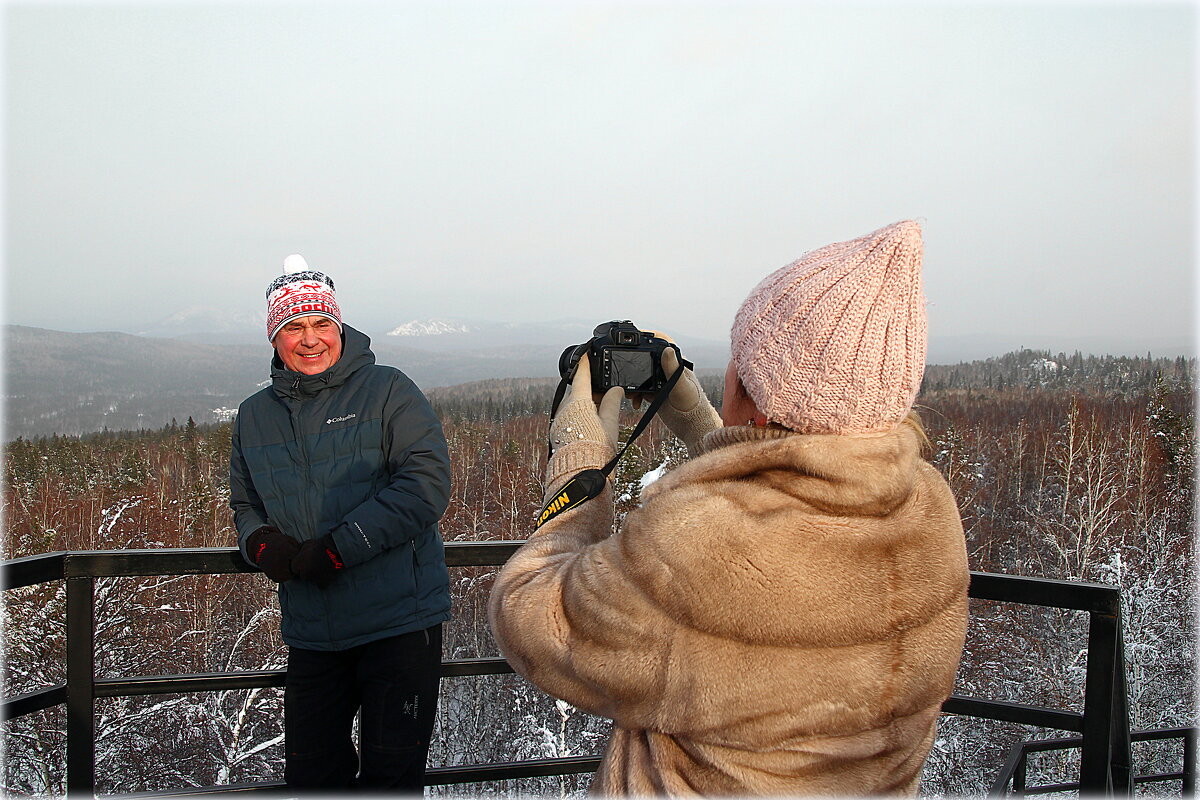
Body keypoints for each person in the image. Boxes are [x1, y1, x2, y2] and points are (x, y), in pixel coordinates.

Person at [488, 220, 969, 795]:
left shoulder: (698, 546)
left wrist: (579, 457)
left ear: (757, 394)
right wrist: (704, 430)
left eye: (740, 364)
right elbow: (786, 505)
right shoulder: (929, 511)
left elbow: (532, 618)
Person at [229, 254, 452, 792]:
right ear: (275, 339)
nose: (310, 339)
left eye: (321, 324)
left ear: (340, 327)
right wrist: (263, 547)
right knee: (311, 777)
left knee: (390, 777)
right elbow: (245, 505)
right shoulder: (254, 415)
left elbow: (426, 485)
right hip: (313, 631)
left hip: (399, 624)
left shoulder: (388, 390)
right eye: (294, 327)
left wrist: (336, 549)